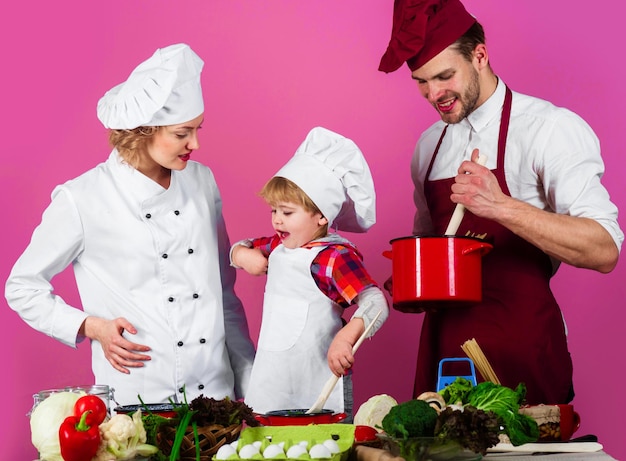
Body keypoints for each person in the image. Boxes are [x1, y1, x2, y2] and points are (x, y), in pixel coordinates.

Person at [378, 0, 623, 405]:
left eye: (444, 76)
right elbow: (429, 246)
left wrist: (500, 206)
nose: (433, 94)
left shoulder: (549, 129)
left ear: (480, 55)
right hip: (443, 357)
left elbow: (604, 250)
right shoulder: (428, 147)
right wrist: (411, 283)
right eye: (421, 81)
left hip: (522, 351)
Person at [5, 43, 255, 406]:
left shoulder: (202, 182)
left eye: (198, 129)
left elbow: (223, 293)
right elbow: (21, 286)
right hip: (138, 400)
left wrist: (249, 383)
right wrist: (93, 327)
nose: (196, 144)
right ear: (143, 129)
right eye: (183, 133)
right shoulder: (83, 198)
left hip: (217, 399)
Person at [230, 127, 389, 418]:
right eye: (273, 211)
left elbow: (375, 302)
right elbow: (243, 246)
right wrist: (241, 255)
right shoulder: (280, 245)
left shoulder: (333, 257)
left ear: (322, 215)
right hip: (272, 379)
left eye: (287, 213)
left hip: (315, 381)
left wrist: (346, 338)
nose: (277, 221)